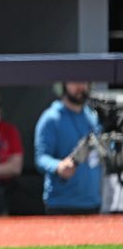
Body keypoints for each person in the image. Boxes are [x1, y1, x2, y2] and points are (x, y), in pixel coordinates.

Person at [34, 81, 103, 214]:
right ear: (64, 85)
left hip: (93, 203)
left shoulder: (93, 117)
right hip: (62, 204)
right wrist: (58, 166)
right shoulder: (51, 118)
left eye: (84, 81)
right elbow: (41, 158)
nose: (80, 86)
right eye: (75, 81)